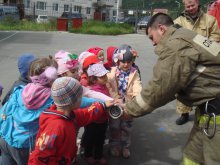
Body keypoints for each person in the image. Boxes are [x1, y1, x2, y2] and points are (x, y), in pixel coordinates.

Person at [124, 13, 220, 165]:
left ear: (161, 29)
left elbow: (161, 87)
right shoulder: (186, 35)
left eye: (151, 37)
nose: (153, 43)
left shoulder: (176, 45)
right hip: (207, 113)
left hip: (216, 114)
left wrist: (128, 111)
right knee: (192, 157)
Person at [28, 77, 114, 165]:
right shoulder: (55, 127)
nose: (82, 98)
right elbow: (40, 157)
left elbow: (85, 114)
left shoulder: (70, 115)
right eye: (80, 96)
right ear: (73, 101)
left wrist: (102, 105)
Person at [0, 57, 57, 165]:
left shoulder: (20, 90)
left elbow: (4, 110)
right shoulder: (52, 99)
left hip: (5, 137)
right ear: (52, 76)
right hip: (24, 145)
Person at [174, 0, 220, 125]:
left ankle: (204, 112)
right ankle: (184, 114)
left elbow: (215, 38)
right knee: (183, 86)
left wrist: (203, 52)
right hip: (186, 60)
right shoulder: (178, 22)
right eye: (187, 6)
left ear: (198, 3)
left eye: (192, 5)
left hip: (205, 59)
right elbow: (175, 40)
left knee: (204, 86)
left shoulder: (210, 20)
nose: (190, 8)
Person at [107, 44, 142, 158]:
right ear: (117, 61)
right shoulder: (112, 71)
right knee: (114, 127)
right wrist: (115, 98)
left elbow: (138, 86)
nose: (126, 64)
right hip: (115, 104)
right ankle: (114, 145)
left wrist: (136, 98)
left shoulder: (134, 73)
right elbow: (109, 83)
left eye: (129, 61)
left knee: (126, 127)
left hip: (128, 104)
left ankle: (125, 146)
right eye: (123, 62)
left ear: (132, 61)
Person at [83, 63, 110, 164]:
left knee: (101, 138)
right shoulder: (93, 91)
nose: (105, 78)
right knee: (90, 138)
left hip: (103, 119)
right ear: (94, 79)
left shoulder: (104, 86)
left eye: (105, 75)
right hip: (93, 120)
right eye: (102, 77)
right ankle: (87, 154)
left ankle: (98, 155)